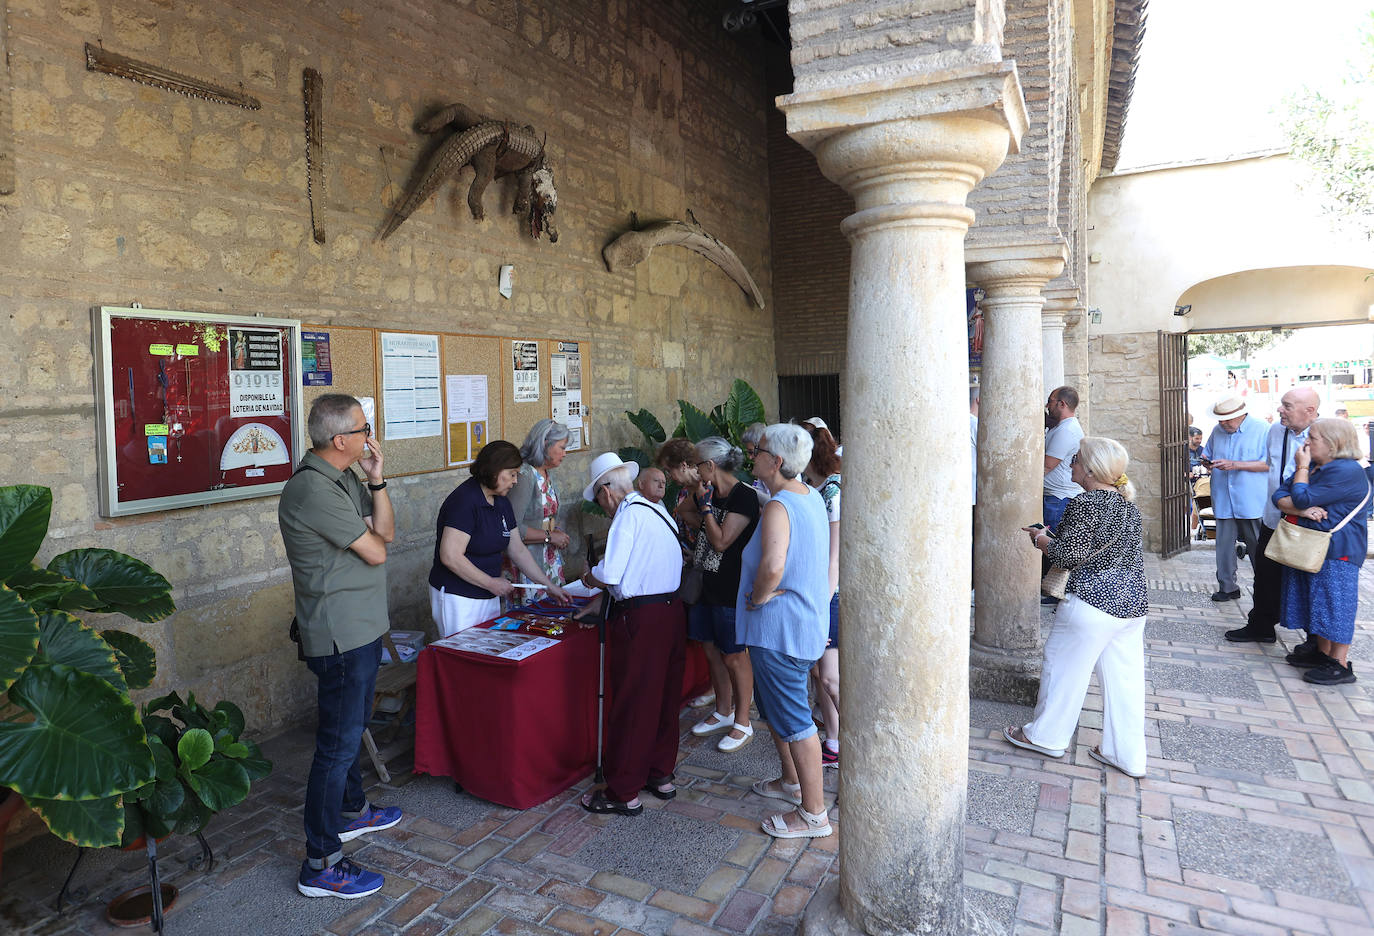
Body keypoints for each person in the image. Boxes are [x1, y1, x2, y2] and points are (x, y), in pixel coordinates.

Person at [279, 394, 401, 900]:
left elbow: (387, 531)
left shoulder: (346, 475)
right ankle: (321, 862)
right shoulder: (311, 489)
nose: (371, 432)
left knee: (349, 732)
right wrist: (372, 510)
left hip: (362, 627)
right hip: (340, 635)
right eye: (364, 426)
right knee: (336, 745)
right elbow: (375, 551)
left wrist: (377, 479)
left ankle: (352, 811)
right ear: (340, 438)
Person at [1005, 437, 1149, 779]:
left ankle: (1045, 736)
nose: (1071, 465)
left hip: (1092, 602)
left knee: (1062, 668)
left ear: (1089, 469)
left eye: (1075, 460)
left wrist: (1041, 540)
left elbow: (1069, 556)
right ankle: (1127, 756)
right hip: (1131, 605)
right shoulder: (1128, 505)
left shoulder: (1084, 504)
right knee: (1125, 683)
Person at [577, 453, 686, 814]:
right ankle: (660, 774)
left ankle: (623, 791)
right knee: (663, 699)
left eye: (599, 501)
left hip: (643, 618)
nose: (603, 508)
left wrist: (589, 576)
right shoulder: (656, 509)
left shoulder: (626, 516)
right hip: (671, 611)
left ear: (607, 492)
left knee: (633, 703)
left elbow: (611, 574)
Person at [739, 424, 833, 839]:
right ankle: (791, 781)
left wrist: (759, 597)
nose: (752, 457)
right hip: (800, 625)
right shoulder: (807, 495)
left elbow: (773, 565)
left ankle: (814, 814)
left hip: (781, 631)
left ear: (775, 461)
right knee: (779, 709)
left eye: (757, 451)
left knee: (796, 721)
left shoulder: (779, 507)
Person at [429, 441, 569, 637]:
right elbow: (450, 556)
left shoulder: (501, 501)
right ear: (494, 470)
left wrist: (548, 585)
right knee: (464, 657)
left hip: (489, 593)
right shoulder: (464, 501)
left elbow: (517, 549)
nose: (515, 481)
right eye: (512, 474)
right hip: (459, 597)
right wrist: (490, 583)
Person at [1272, 418, 1370, 685]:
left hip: (1338, 550)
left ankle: (1339, 664)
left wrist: (1301, 471)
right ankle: (1322, 653)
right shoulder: (1318, 467)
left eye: (1312, 438)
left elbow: (1299, 495)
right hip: (1313, 546)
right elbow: (1279, 495)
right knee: (1318, 602)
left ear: (1332, 442)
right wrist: (1301, 509)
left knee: (1335, 604)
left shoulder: (1346, 471)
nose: (1306, 443)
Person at [684, 437, 762, 753]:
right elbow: (683, 511)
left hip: (733, 586)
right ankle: (723, 710)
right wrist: (701, 506)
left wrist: (706, 512)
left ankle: (743, 721)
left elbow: (720, 541)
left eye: (697, 466)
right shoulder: (709, 492)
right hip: (706, 582)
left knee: (733, 654)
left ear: (710, 466)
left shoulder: (744, 497)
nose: (694, 472)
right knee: (710, 649)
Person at [1225, 389, 1318, 648]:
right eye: (1282, 405)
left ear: (1309, 410)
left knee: (1305, 578)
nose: (1280, 410)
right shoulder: (1276, 431)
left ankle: (1314, 641)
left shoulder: (1323, 436)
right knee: (1265, 574)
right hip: (1273, 516)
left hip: (1305, 521)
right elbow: (1271, 465)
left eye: (1287, 406)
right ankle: (1261, 625)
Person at [658, 437, 713, 708]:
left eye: (671, 471)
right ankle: (714, 685)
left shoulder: (707, 488)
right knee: (702, 635)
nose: (670, 477)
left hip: (708, 568)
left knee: (717, 639)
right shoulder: (682, 494)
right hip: (688, 566)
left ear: (683, 465)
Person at [1201, 396, 1269, 601]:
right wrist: (1208, 463)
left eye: (1228, 419)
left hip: (1251, 498)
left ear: (1241, 414)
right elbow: (1208, 454)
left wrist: (1236, 464)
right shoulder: (1217, 430)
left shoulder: (1263, 429)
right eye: (1220, 419)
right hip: (1223, 494)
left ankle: (1265, 590)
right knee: (1223, 545)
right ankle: (1227, 587)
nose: (1223, 423)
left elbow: (1270, 464)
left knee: (1258, 546)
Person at [802, 422, 842, 769]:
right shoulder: (809, 487)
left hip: (830, 594)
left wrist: (823, 605)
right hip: (816, 593)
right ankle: (834, 740)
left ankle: (858, 740)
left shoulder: (832, 491)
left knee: (830, 676)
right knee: (819, 675)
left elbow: (834, 557)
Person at [506, 419, 573, 598]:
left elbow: (547, 515)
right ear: (545, 444)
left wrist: (556, 530)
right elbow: (512, 528)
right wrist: (550, 537)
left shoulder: (545, 473)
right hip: (528, 560)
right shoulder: (525, 476)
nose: (565, 453)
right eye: (562, 447)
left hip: (547, 555)